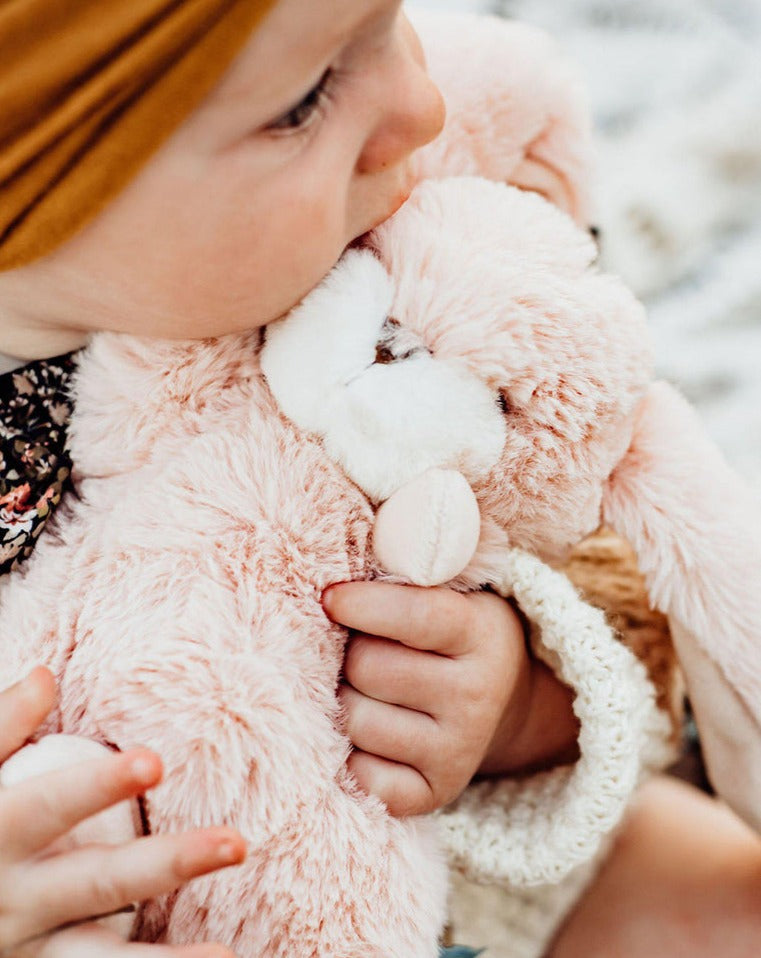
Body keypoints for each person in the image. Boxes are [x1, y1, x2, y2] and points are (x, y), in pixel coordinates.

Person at [0, 2, 759, 957]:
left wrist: (518, 705)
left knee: (715, 896)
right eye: (304, 101)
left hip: (456, 888)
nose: (419, 104)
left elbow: (628, 580)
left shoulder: (401, 235)